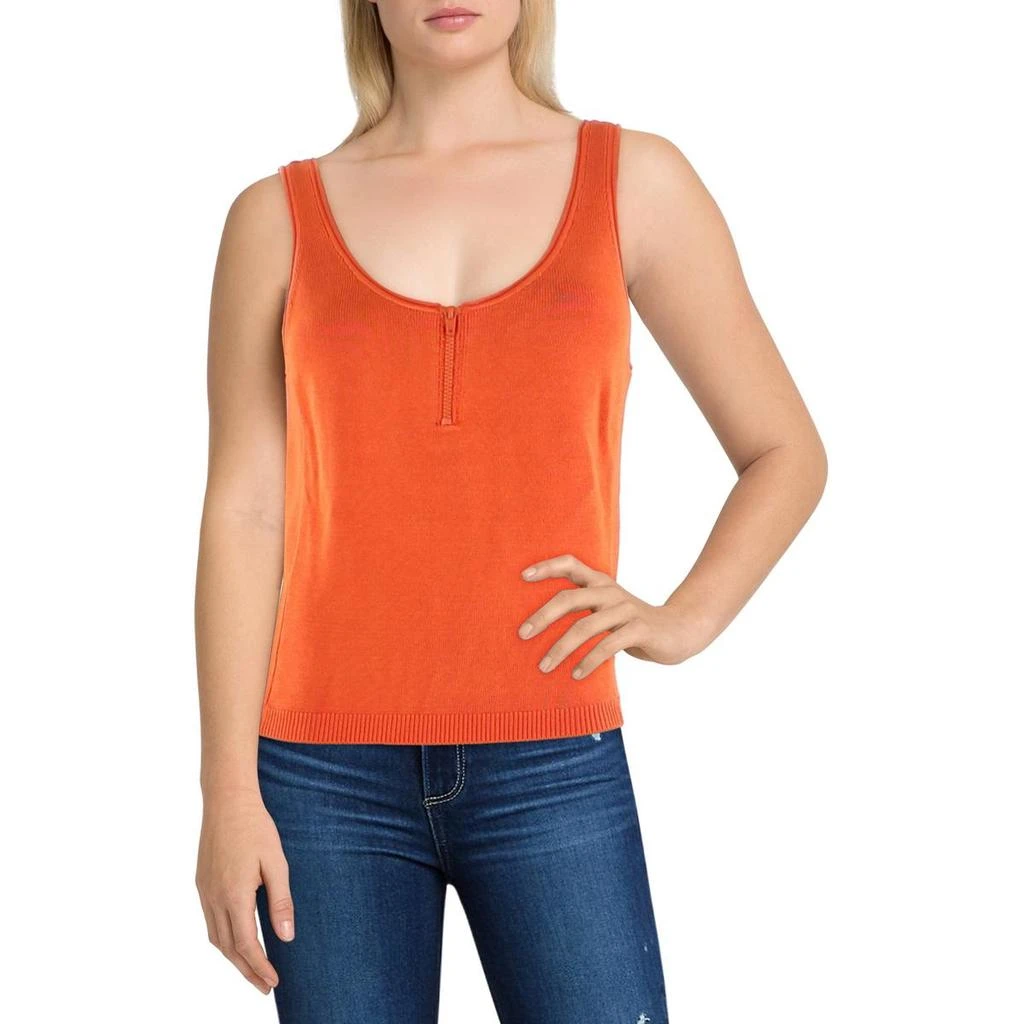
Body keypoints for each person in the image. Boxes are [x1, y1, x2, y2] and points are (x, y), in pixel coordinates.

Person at [194, 1, 828, 1020]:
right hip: (320, 776)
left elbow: (783, 451)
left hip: (551, 756)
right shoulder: (274, 217)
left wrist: (683, 619)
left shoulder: (634, 180)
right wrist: (228, 791)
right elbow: (245, 513)